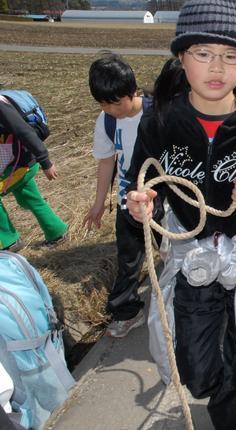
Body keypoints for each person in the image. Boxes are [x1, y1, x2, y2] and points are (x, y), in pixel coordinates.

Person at [124, 0, 236, 428]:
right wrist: (142, 206)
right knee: (197, 372)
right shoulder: (160, 123)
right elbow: (139, 187)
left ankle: (234, 412)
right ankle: (223, 391)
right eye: (203, 53)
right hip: (192, 261)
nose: (216, 67)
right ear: (181, 57)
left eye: (230, 55)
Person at [83, 54, 162, 338]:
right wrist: (99, 203)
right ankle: (127, 310)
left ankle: (181, 300)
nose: (111, 109)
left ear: (133, 91)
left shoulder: (158, 113)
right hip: (128, 200)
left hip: (163, 198)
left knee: (174, 252)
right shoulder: (106, 121)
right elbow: (107, 162)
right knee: (128, 258)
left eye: (117, 102)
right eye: (104, 103)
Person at [0, 91, 67, 252]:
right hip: (13, 163)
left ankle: (9, 241)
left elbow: (25, 132)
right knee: (29, 198)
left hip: (22, 164)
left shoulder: (1, 107)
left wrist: (46, 162)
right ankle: (57, 232)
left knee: (29, 198)